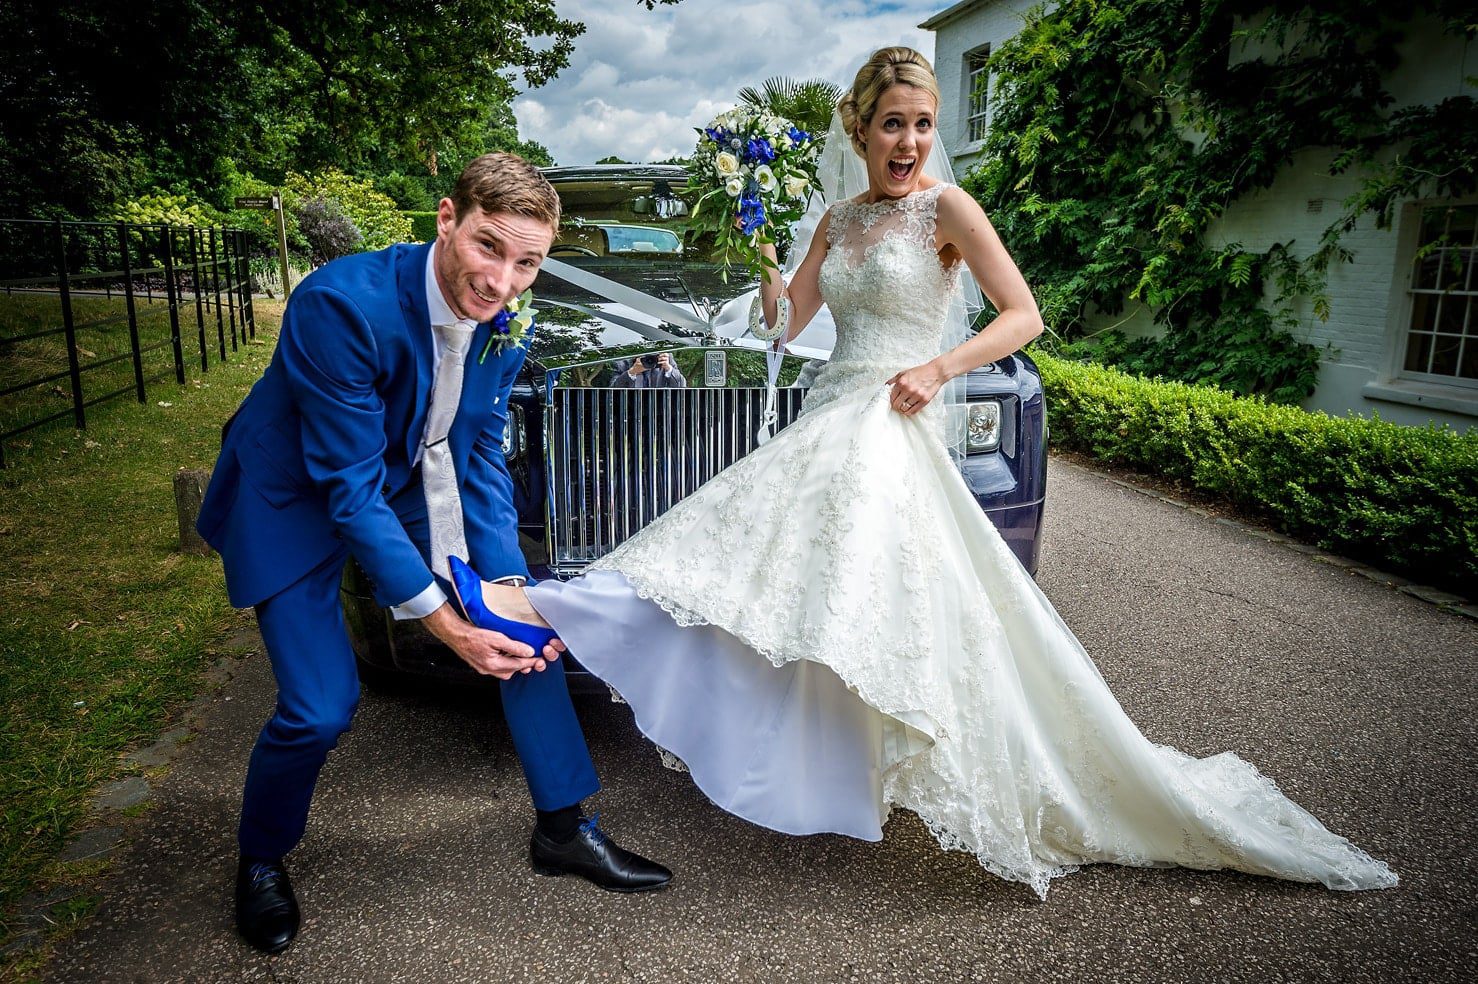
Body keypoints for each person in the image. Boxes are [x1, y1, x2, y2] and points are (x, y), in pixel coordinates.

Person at [465, 49, 1398, 898]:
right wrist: (766, 276)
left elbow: (1022, 315)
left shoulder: (948, 209)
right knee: (765, 576)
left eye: (922, 123)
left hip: (895, 416)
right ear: (860, 131)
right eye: (891, 124)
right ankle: (764, 732)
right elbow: (785, 327)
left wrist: (941, 368)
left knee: (834, 591)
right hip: (834, 408)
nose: (909, 140)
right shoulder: (835, 218)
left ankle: (554, 609)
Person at [196, 153, 671, 955]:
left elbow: (479, 448)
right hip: (294, 498)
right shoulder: (338, 306)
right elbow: (348, 491)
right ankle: (262, 858)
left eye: (528, 263)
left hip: (404, 472)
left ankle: (564, 827)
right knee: (318, 707)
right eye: (490, 248)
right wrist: (451, 627)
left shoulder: (507, 315)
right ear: (446, 219)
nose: (502, 283)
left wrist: (503, 587)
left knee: (522, 628)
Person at [613, 351, 687, 388]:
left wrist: (668, 369)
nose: (649, 360)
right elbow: (611, 391)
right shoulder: (622, 363)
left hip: (659, 411)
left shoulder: (665, 357)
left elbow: (682, 385)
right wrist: (631, 372)